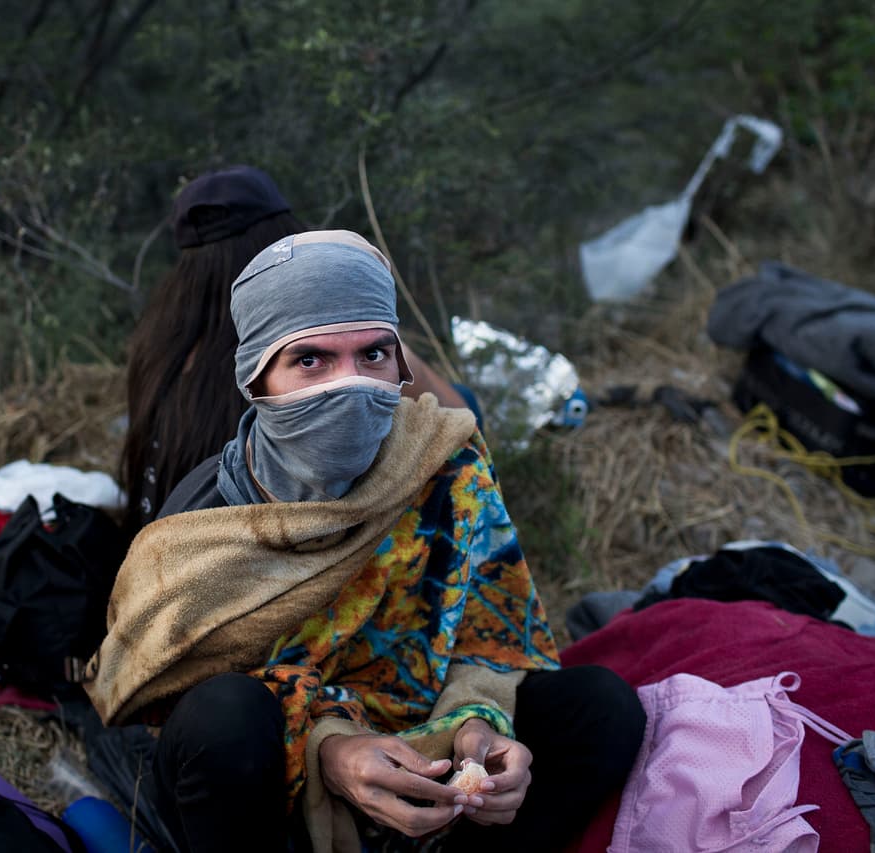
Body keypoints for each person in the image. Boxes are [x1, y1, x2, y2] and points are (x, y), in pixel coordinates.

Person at [86, 230, 644, 852]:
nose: (351, 385)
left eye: (374, 354)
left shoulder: (443, 464)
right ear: (255, 377)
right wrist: (326, 747)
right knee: (226, 719)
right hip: (267, 789)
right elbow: (173, 701)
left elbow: (488, 635)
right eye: (311, 360)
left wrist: (477, 726)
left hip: (422, 739)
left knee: (602, 708)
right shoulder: (207, 514)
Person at [120, 166, 469, 536]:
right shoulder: (272, 343)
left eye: (371, 355)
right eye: (309, 361)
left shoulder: (158, 347)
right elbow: (461, 418)